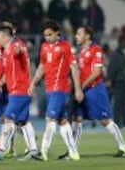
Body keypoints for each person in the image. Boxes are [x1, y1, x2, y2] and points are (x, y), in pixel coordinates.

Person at [59, 25, 125, 159]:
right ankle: (72, 151)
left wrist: (81, 85)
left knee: (104, 120)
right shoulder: (81, 51)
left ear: (87, 36)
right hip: (82, 90)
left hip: (94, 90)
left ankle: (123, 146)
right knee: (77, 118)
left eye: (79, 34)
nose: (76, 36)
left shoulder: (95, 50)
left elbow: (97, 72)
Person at [28, 20, 83, 161]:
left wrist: (78, 89)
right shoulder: (45, 47)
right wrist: (33, 83)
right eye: (45, 35)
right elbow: (42, 67)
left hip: (61, 88)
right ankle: (73, 152)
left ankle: (43, 152)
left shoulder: (65, 47)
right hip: (49, 88)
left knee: (50, 119)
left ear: (57, 33)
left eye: (50, 34)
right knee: (63, 121)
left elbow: (74, 68)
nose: (47, 37)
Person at [0, 26, 39, 161]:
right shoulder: (5, 52)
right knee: (23, 122)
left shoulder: (16, 45)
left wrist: (18, 51)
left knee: (8, 119)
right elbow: (8, 74)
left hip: (20, 90)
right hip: (16, 90)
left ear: (3, 36)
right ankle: (34, 150)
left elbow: (20, 51)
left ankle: (1, 150)